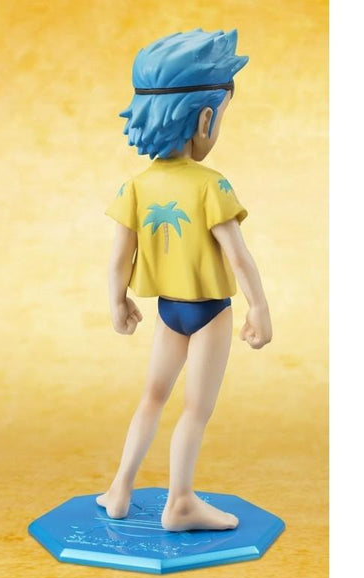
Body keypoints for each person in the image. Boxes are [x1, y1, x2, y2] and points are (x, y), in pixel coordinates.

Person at [97, 29, 272, 532]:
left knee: (151, 398)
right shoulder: (212, 185)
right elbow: (238, 257)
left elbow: (118, 259)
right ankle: (180, 502)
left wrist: (118, 302)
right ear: (204, 119)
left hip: (168, 312)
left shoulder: (135, 187)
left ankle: (120, 489)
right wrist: (259, 308)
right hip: (209, 312)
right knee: (195, 410)